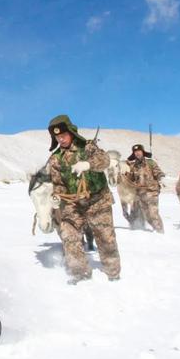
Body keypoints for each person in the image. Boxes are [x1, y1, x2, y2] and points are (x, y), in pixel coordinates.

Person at [47, 115, 121, 284]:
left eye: (63, 135)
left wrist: (88, 164)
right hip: (73, 205)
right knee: (69, 236)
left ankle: (113, 273)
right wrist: (57, 196)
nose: (61, 139)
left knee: (105, 238)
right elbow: (58, 183)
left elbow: (105, 160)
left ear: (71, 132)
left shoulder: (88, 147)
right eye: (57, 137)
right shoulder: (55, 158)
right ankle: (80, 273)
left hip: (98, 201)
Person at [125, 144, 165, 233]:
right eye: (135, 152)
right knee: (147, 215)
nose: (137, 153)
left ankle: (160, 232)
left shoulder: (150, 162)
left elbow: (158, 172)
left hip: (152, 191)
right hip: (140, 193)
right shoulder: (133, 166)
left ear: (142, 152)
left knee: (153, 213)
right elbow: (131, 179)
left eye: (139, 151)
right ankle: (155, 229)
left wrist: (161, 178)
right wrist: (125, 173)